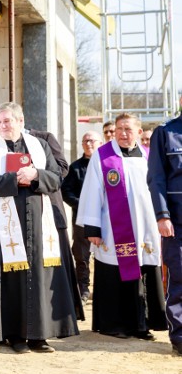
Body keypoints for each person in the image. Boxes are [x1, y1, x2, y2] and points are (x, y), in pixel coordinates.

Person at [0, 102, 80, 354]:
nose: (3, 126)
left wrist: (35, 175)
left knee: (40, 276)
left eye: (8, 121)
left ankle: (38, 336)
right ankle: (14, 336)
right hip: (4, 227)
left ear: (21, 121)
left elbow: (56, 178)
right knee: (10, 279)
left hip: (39, 220)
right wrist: (14, 179)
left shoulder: (40, 146)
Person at [77, 113, 166, 340]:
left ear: (138, 132)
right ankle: (114, 324)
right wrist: (93, 228)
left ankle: (142, 324)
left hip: (146, 229)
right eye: (119, 129)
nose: (123, 134)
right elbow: (91, 193)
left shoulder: (148, 156)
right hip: (112, 229)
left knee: (144, 272)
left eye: (128, 129)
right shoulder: (103, 155)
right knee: (114, 275)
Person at [26, 128, 85, 320]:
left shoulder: (43, 138)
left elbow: (62, 168)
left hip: (49, 210)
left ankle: (60, 315)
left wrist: (35, 174)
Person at [146, 101, 182, 356]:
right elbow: (156, 177)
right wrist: (162, 215)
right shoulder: (165, 132)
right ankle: (179, 336)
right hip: (177, 220)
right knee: (179, 278)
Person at [62, 131, 102, 302]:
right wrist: (84, 204)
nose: (88, 143)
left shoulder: (106, 163)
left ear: (100, 143)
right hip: (82, 219)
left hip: (105, 218)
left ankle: (102, 289)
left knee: (105, 256)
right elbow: (66, 191)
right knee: (82, 256)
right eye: (85, 141)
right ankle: (83, 289)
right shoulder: (76, 167)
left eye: (92, 140)